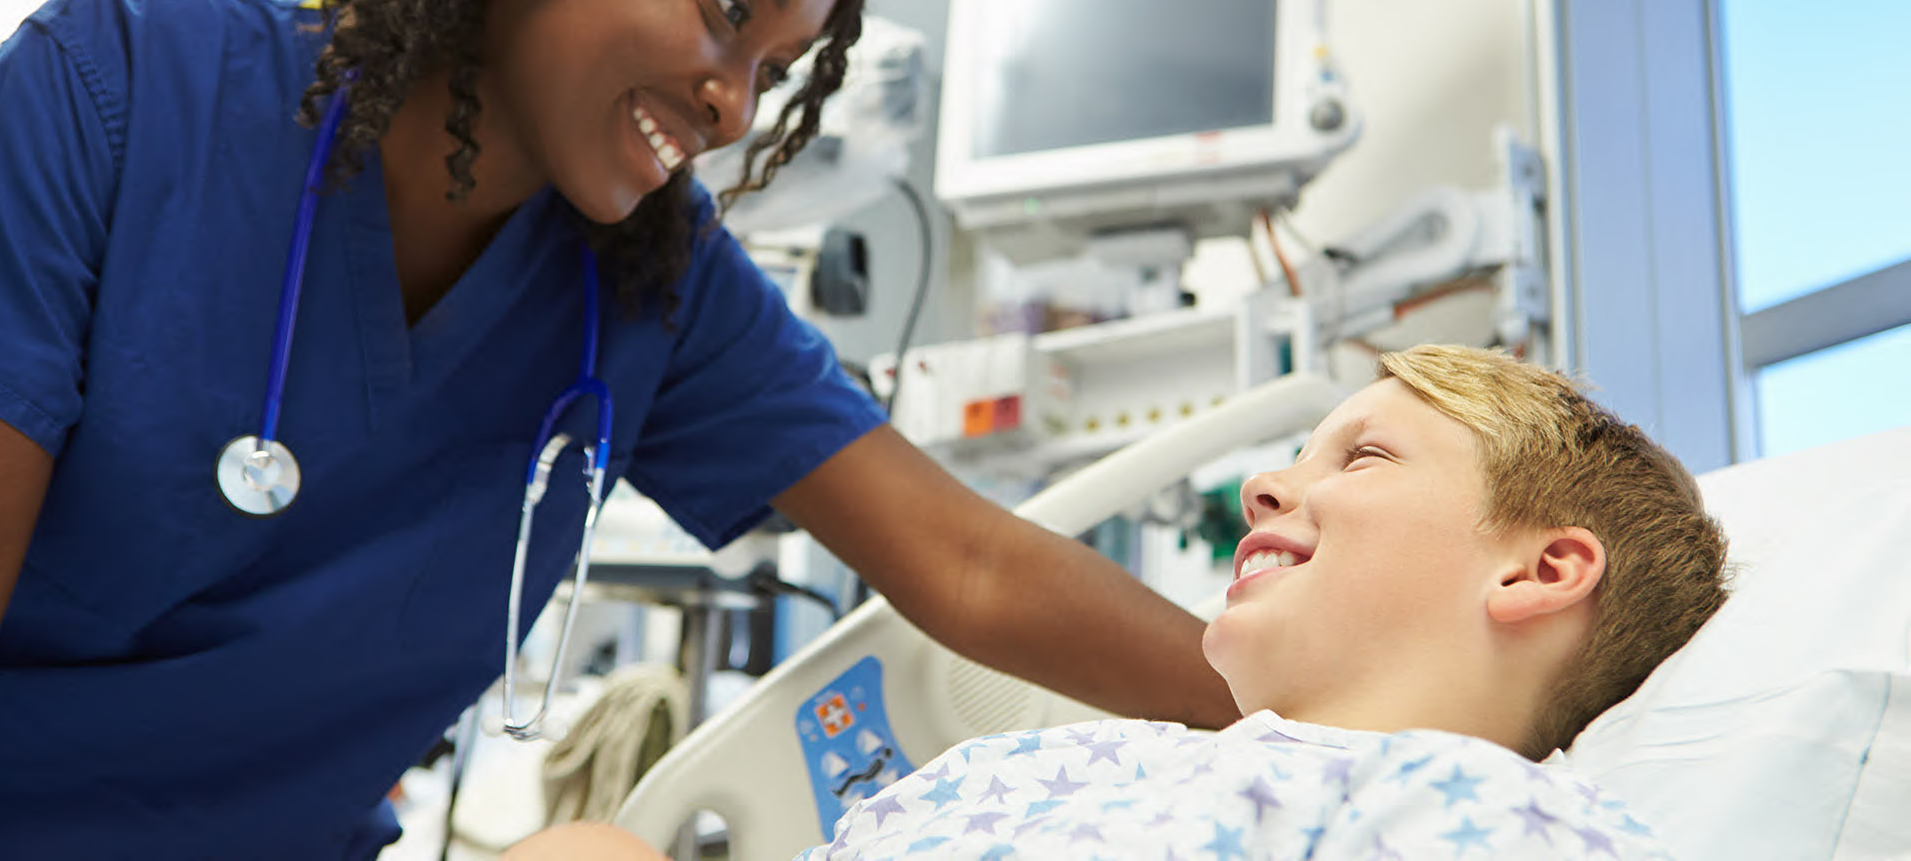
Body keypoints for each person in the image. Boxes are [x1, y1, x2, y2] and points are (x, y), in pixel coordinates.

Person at [0, 0, 1238, 857]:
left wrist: (1352, 719)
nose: (737, 105)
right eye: (728, 9)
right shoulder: (122, 89)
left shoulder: (650, 283)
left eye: (775, 69)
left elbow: (969, 565)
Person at [505, 344, 1731, 859]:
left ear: (1541, 572)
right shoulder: (1084, 763)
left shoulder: (1478, 813)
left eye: (1360, 459)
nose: (1264, 485)